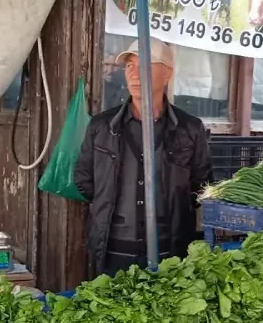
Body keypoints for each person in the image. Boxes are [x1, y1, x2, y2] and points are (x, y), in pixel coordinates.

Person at [73, 39, 211, 278]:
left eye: (144, 67)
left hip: (169, 251)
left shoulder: (190, 129)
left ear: (167, 73)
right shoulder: (102, 127)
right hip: (113, 248)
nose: (134, 75)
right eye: (129, 66)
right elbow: (84, 180)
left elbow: (202, 186)